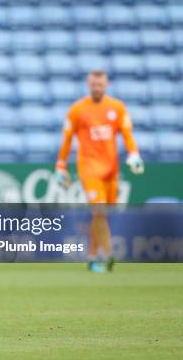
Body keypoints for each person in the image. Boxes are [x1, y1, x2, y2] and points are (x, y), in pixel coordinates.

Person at [55, 70, 144, 272]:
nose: (97, 88)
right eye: (93, 85)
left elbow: (127, 134)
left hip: (111, 170)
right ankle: (109, 253)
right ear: (88, 85)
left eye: (100, 85)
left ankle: (93, 258)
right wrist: (61, 165)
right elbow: (67, 140)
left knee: (100, 215)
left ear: (106, 85)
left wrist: (134, 154)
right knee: (100, 211)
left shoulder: (117, 108)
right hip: (89, 168)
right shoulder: (77, 110)